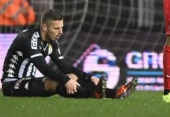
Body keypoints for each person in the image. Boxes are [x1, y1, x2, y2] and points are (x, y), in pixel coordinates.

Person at [1, 8, 137, 98]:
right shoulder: (29, 38)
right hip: (12, 84)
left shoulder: (51, 41)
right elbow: (42, 67)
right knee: (55, 82)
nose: (61, 32)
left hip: (29, 80)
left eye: (62, 28)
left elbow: (64, 65)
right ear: (44, 27)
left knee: (72, 75)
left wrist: (88, 77)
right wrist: (65, 80)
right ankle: (90, 95)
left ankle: (115, 93)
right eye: (56, 28)